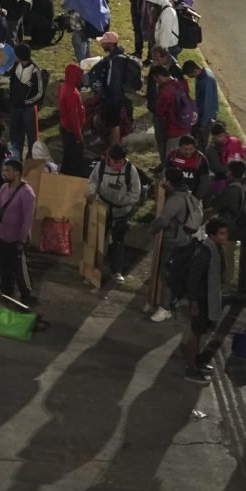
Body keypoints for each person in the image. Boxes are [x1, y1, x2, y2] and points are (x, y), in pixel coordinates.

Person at [149, 167, 203, 321]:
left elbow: (163, 220)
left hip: (173, 241)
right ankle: (174, 300)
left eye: (164, 179)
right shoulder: (187, 194)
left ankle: (164, 308)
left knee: (167, 275)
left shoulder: (175, 200)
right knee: (177, 273)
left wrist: (151, 229)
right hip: (185, 240)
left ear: (169, 182)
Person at [183, 218, 228, 384]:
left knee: (201, 332)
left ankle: (196, 362)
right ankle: (190, 368)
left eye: (226, 233)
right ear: (213, 234)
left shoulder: (215, 248)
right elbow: (193, 279)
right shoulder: (204, 252)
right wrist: (193, 302)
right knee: (195, 333)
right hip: (201, 299)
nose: (225, 237)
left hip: (209, 298)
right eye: (222, 234)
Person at [87, 146, 141, 283]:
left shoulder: (131, 170)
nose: (116, 165)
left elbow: (136, 193)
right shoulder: (101, 166)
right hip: (102, 208)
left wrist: (124, 202)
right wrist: (92, 193)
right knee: (98, 240)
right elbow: (93, 180)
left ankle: (117, 271)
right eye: (113, 162)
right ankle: (93, 271)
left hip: (121, 212)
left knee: (118, 242)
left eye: (119, 162)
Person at [0, 159, 36, 303]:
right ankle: (6, 293)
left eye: (8, 170)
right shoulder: (4, 188)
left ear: (17, 172)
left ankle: (26, 295)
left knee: (20, 270)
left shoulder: (27, 193)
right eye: (3, 170)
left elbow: (27, 220)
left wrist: (21, 240)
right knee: (4, 268)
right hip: (1, 236)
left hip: (15, 240)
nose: (4, 173)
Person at [7, 43, 43, 163]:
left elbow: (39, 92)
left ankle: (31, 161)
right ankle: (16, 158)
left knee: (32, 136)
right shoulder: (16, 65)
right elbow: (12, 81)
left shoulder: (35, 70)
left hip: (28, 109)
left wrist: (27, 102)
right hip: (15, 107)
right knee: (15, 135)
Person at [182, 60, 219, 149]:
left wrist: (201, 124)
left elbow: (206, 104)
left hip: (206, 118)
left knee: (201, 143)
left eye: (190, 75)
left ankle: (200, 160)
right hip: (203, 114)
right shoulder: (204, 73)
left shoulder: (206, 82)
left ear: (195, 71)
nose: (191, 77)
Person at [57, 63, 86, 176]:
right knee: (75, 157)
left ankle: (65, 173)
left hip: (65, 126)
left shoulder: (63, 87)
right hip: (71, 130)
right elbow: (74, 118)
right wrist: (78, 136)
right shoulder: (72, 94)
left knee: (67, 155)